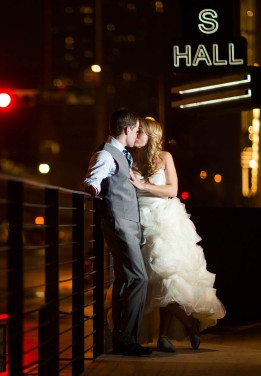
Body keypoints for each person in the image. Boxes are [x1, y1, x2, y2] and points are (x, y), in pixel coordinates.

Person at [128, 117, 226, 353]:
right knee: (151, 281)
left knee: (164, 277)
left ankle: (165, 336)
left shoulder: (165, 157)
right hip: (139, 222)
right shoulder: (129, 158)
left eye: (140, 131)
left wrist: (143, 187)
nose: (135, 134)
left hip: (164, 221)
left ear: (150, 135)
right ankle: (186, 324)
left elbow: (172, 189)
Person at [83, 110, 152, 356]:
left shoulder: (121, 155)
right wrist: (93, 186)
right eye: (136, 130)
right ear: (127, 130)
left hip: (127, 222)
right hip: (118, 222)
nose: (137, 134)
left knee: (126, 279)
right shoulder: (105, 154)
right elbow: (92, 179)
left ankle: (120, 336)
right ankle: (128, 339)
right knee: (139, 278)